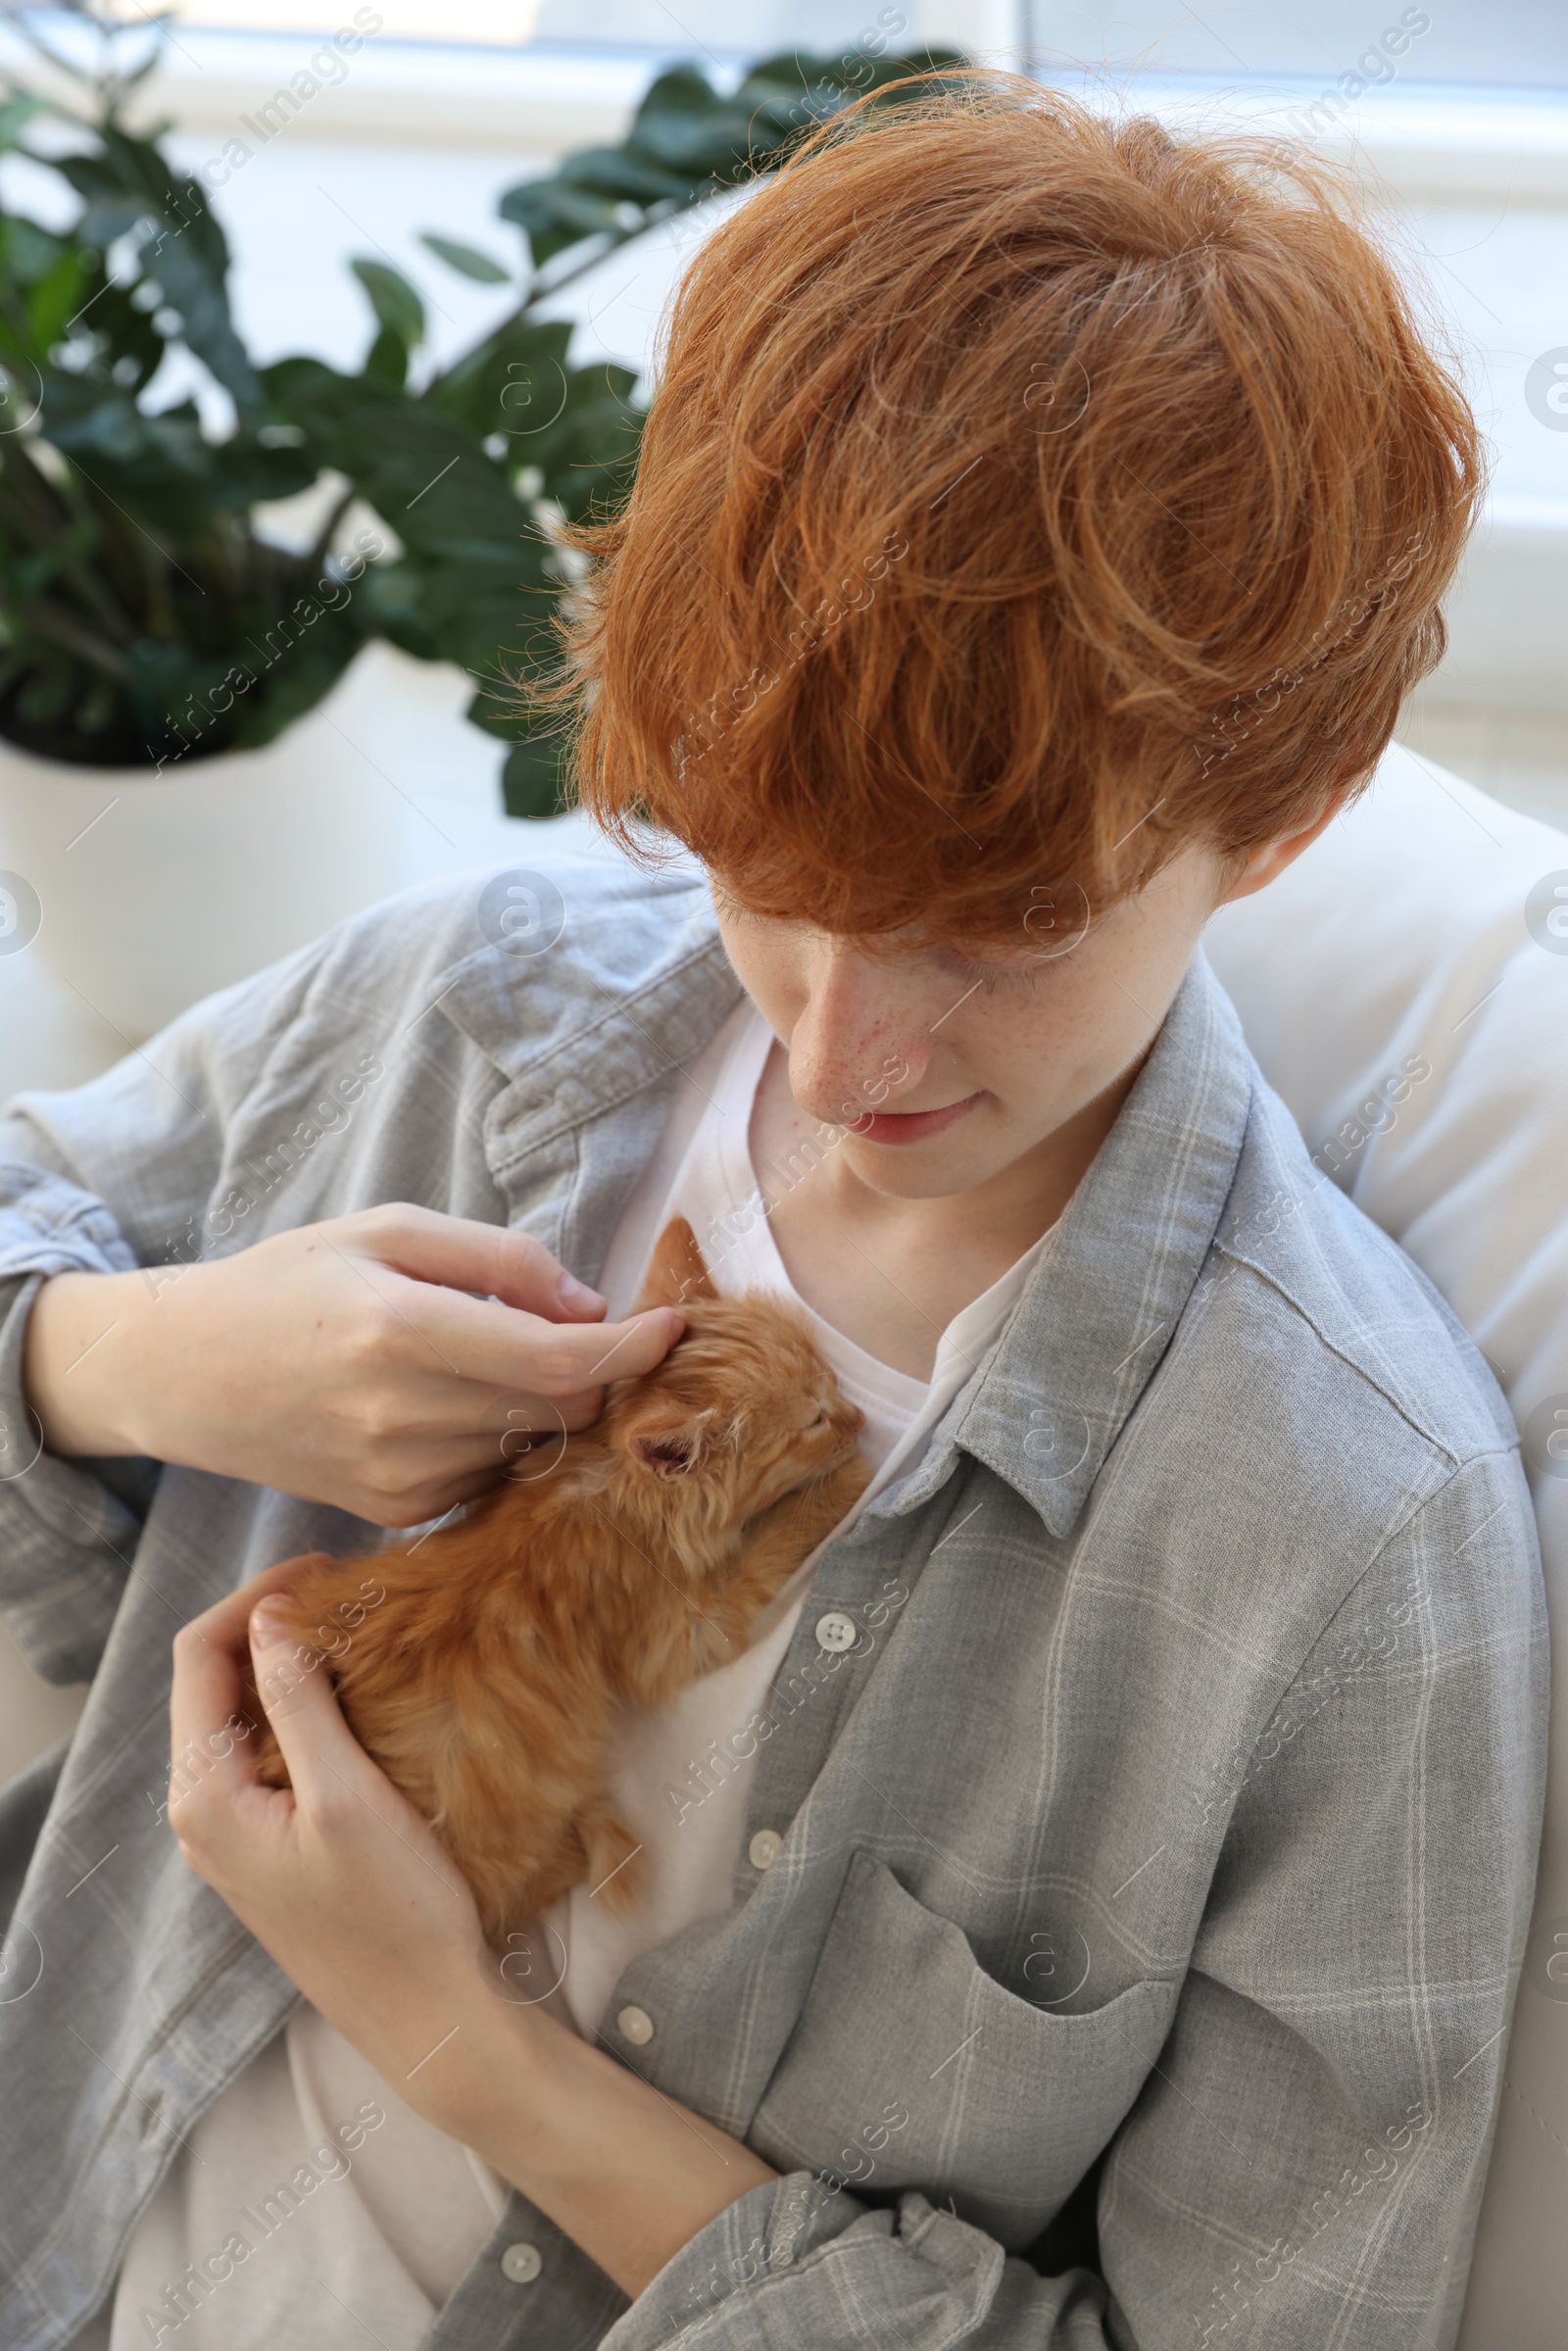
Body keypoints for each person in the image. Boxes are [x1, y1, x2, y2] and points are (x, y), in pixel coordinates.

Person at [0, 73, 1544, 2351]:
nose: (836, 1059)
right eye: (764, 880)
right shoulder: (457, 1018)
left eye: (997, 935)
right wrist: (120, 1353)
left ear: (1281, 814)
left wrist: (465, 2047)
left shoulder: (1337, 1554)